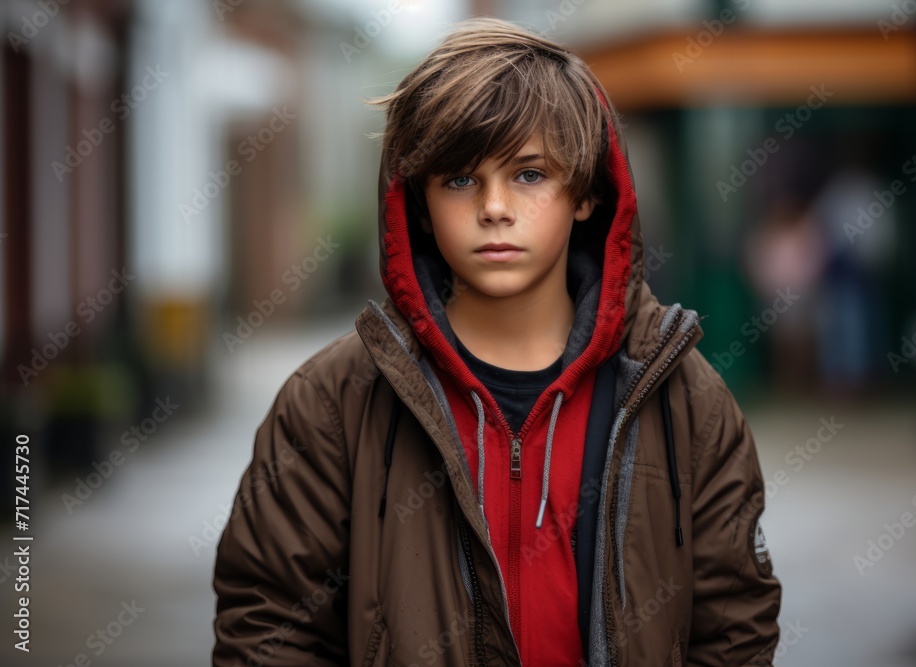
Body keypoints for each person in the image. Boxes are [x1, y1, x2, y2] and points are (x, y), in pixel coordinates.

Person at [212, 17, 781, 667]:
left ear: (587, 191)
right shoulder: (332, 402)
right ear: (419, 202)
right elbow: (268, 625)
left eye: (529, 174)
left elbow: (736, 626)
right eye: (459, 179)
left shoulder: (683, 398)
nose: (494, 206)